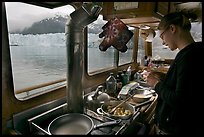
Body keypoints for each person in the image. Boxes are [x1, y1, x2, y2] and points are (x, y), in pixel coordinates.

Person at [146, 11, 203, 135]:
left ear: (172, 28)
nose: (162, 42)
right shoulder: (191, 53)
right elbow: (187, 87)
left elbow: (180, 101)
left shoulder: (189, 57)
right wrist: (165, 77)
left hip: (177, 128)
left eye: (162, 36)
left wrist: (156, 84)